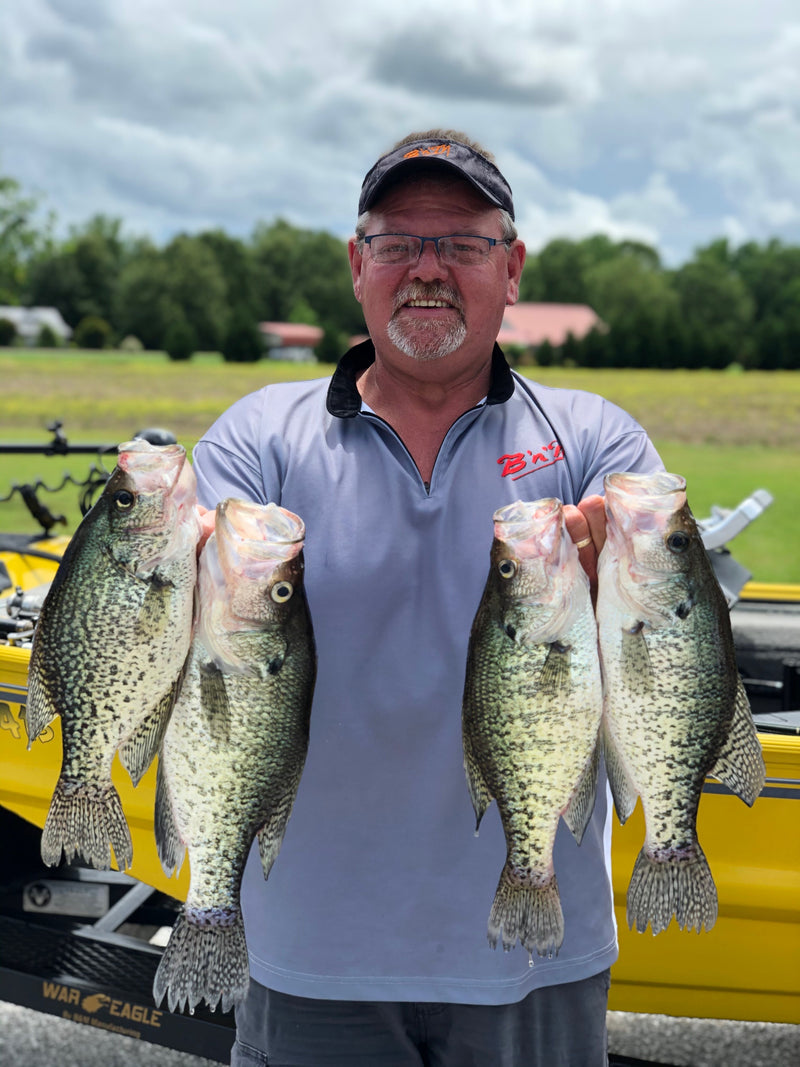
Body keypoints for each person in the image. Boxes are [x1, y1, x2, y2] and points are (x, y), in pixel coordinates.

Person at [192, 129, 663, 1067]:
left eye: (463, 243)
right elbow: (166, 626)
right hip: (310, 949)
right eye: (399, 242)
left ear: (513, 268)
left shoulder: (594, 437)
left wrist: (634, 570)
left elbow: (677, 649)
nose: (428, 270)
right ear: (356, 264)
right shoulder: (261, 439)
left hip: (536, 954)